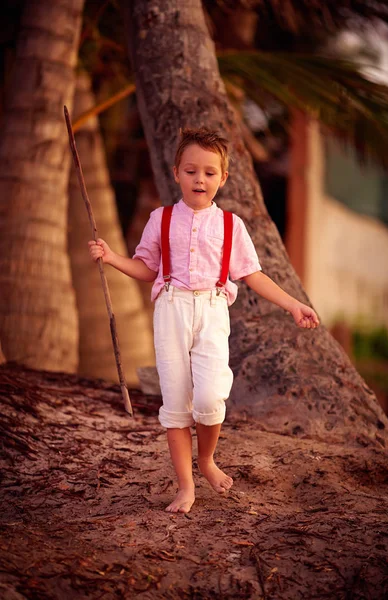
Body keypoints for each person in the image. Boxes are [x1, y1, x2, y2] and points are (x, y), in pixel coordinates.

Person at [88, 127, 320, 514]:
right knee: (177, 403)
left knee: (211, 399)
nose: (200, 179)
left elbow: (252, 275)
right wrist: (112, 257)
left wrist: (293, 304)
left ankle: (207, 459)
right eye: (192, 171)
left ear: (223, 178)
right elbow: (147, 268)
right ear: (177, 172)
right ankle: (185, 486)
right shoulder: (160, 219)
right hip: (171, 311)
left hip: (212, 311)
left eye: (210, 173)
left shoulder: (232, 226)